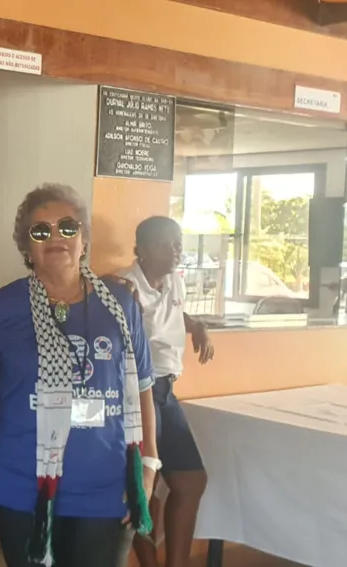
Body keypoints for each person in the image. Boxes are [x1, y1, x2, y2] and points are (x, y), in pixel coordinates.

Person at [0, 183, 158, 567]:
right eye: (40, 231)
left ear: (83, 239)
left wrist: (148, 467)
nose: (55, 237)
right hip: (21, 487)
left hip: (107, 488)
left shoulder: (120, 304)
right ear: (27, 247)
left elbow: (143, 387)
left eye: (67, 226)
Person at [120, 216, 213, 567]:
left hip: (167, 393)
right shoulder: (126, 287)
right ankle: (150, 562)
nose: (175, 249)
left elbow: (176, 314)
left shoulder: (175, 282)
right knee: (145, 486)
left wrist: (198, 326)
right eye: (165, 243)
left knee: (191, 480)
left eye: (178, 242)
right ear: (141, 250)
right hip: (138, 393)